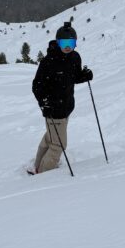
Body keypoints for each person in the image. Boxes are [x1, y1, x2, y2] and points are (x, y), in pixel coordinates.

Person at [30, 21, 93, 174]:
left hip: (66, 107)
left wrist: (84, 76)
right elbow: (37, 86)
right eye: (64, 43)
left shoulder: (75, 57)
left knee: (51, 138)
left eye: (71, 43)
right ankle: (42, 174)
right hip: (53, 109)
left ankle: (37, 165)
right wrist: (44, 103)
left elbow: (74, 77)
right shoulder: (48, 62)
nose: (67, 47)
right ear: (58, 42)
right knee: (59, 145)